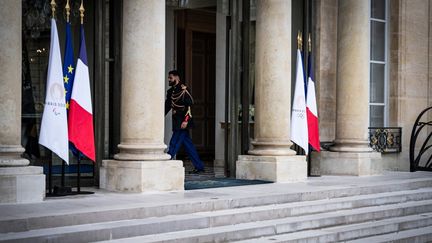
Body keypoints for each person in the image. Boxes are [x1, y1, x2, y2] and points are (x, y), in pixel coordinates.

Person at [165, 70, 205, 174]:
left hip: (183, 121)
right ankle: (199, 166)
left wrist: (186, 120)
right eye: (169, 78)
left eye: (171, 78)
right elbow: (167, 106)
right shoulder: (170, 92)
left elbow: (189, 106)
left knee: (174, 141)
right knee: (188, 145)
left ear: (177, 78)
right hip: (176, 120)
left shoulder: (184, 90)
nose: (169, 80)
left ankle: (167, 159)